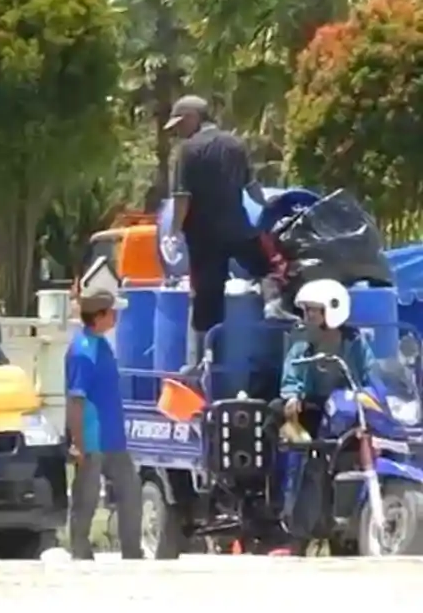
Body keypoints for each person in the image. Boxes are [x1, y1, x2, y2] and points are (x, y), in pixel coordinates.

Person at [165, 95, 286, 355]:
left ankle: (207, 358)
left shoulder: (186, 151)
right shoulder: (235, 144)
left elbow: (182, 197)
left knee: (207, 297)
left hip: (204, 238)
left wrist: (173, 232)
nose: (177, 131)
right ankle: (273, 305)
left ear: (192, 118)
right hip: (238, 229)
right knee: (269, 267)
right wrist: (267, 206)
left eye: (179, 124)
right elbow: (251, 187)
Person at [275, 279, 375, 541]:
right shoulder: (303, 344)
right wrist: (292, 396)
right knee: (301, 452)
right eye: (306, 311)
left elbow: (371, 376)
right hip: (312, 410)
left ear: (332, 311)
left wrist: (372, 393)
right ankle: (295, 519)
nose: (307, 317)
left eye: (313, 311)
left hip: (348, 410)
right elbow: (291, 377)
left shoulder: (355, 343)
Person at [66, 288, 143, 560]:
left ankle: (132, 551)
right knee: (86, 498)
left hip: (113, 438)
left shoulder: (102, 345)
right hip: (92, 439)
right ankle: (80, 549)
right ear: (99, 316)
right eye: (112, 312)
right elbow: (76, 401)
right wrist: (78, 443)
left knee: (130, 493)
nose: (117, 317)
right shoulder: (82, 352)